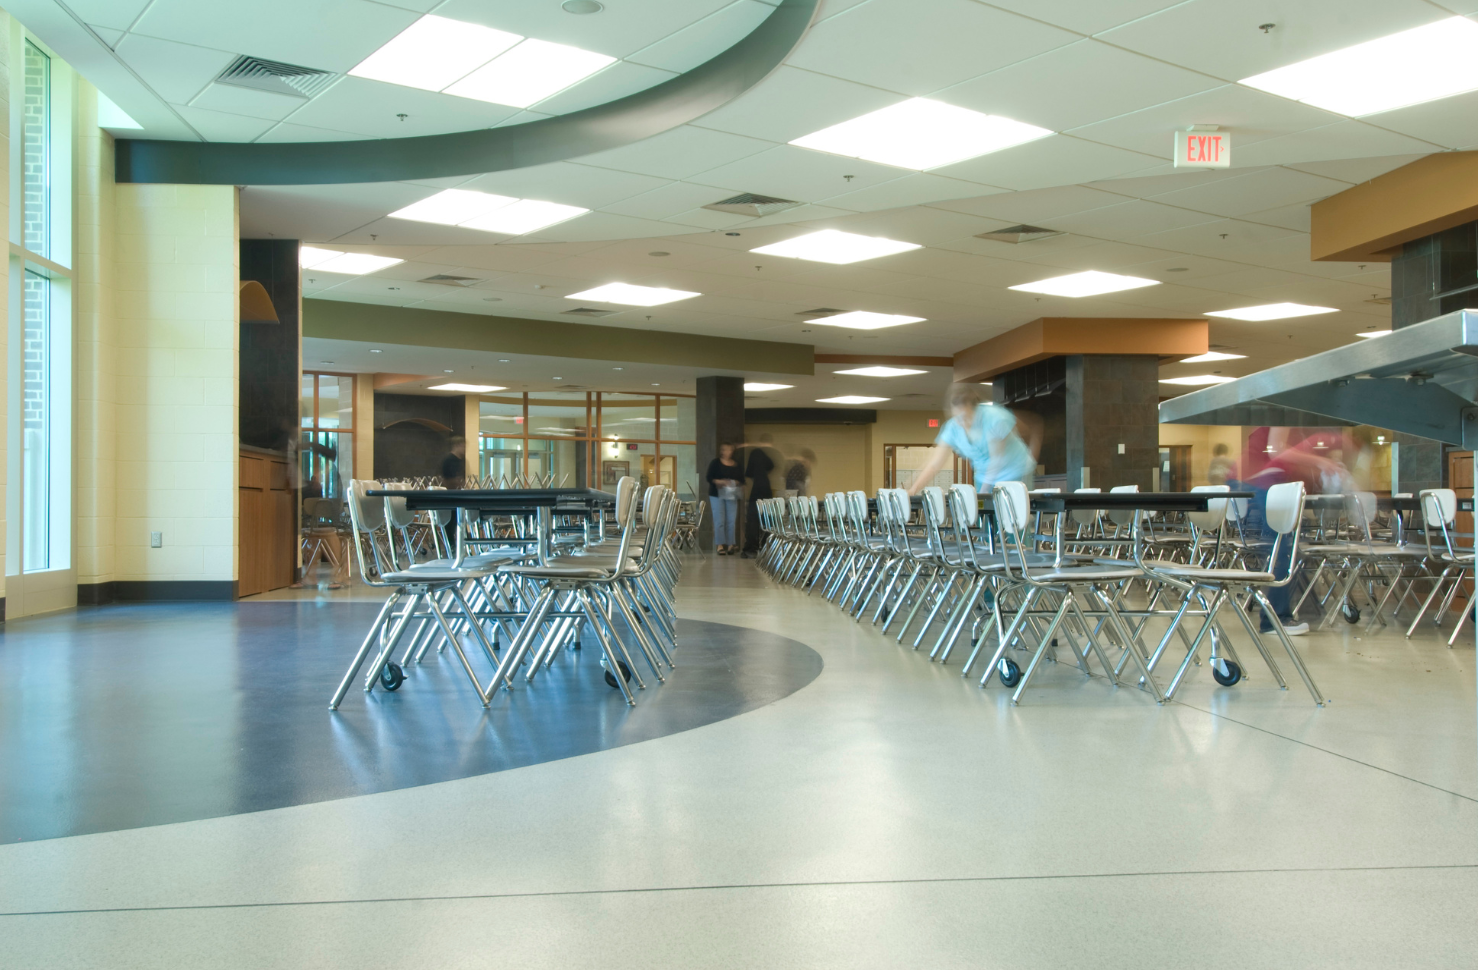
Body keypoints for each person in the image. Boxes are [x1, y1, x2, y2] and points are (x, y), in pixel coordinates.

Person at [908, 384, 1041, 497]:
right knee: (983, 515)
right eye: (957, 417)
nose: (962, 422)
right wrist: (913, 489)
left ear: (974, 409)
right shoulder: (953, 427)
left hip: (1014, 470)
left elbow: (997, 460)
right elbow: (934, 464)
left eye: (966, 417)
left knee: (1014, 519)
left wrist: (984, 491)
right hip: (983, 475)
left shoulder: (995, 419)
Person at [740, 434, 779, 558]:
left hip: (757, 490)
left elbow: (749, 473)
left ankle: (751, 547)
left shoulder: (754, 453)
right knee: (766, 519)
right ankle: (766, 545)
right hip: (766, 490)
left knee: (753, 519)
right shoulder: (766, 455)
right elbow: (771, 465)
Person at [705, 442, 743, 555]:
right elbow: (709, 477)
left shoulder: (736, 464)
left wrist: (733, 482)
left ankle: (731, 544)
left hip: (731, 494)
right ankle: (720, 545)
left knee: (731, 521)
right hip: (717, 494)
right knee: (719, 520)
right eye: (726, 450)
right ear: (721, 451)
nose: (728, 452)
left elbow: (741, 479)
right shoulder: (715, 463)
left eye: (730, 450)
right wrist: (719, 481)